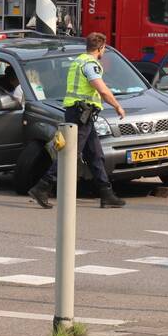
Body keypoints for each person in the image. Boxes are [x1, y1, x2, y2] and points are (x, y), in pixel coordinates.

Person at [28, 33, 127, 209]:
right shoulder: (90, 64)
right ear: (100, 48)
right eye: (103, 48)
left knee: (95, 155)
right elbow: (102, 90)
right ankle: (42, 186)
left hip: (82, 114)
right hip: (81, 115)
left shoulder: (78, 60)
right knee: (70, 154)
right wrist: (118, 106)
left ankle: (106, 194)